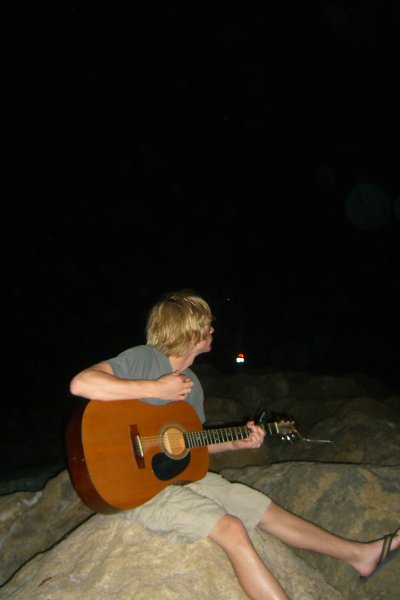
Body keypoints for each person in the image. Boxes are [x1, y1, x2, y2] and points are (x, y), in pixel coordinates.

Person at [70, 289, 400, 600]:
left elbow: (189, 446)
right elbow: (81, 383)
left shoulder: (193, 385)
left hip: (175, 479)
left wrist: (234, 443)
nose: (212, 329)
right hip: (134, 489)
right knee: (231, 528)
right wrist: (156, 389)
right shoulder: (145, 360)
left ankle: (361, 555)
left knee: (261, 508)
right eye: (206, 325)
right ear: (189, 332)